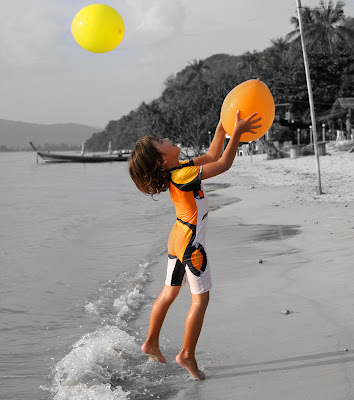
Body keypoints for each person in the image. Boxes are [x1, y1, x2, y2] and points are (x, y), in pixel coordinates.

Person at [128, 110, 261, 380]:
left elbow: (212, 156)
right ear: (162, 158)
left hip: (176, 239)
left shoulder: (179, 171)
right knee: (201, 300)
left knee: (168, 294)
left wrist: (222, 129)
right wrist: (237, 132)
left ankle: (151, 341)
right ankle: (186, 354)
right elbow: (224, 164)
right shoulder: (183, 175)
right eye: (161, 141)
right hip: (191, 247)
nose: (166, 138)